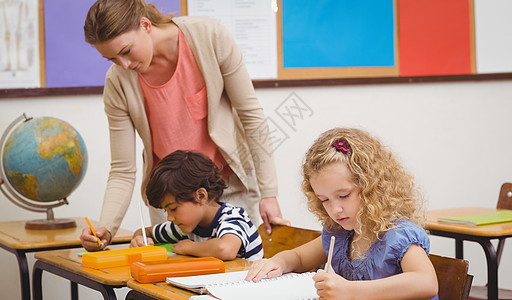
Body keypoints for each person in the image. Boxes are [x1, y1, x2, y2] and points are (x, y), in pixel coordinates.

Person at [80, 0, 289, 251]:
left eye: (126, 51)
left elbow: (251, 115)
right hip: (172, 203)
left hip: (230, 188)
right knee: (173, 285)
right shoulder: (118, 82)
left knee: (238, 276)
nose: (123, 65)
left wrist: (269, 193)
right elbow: (123, 169)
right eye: (111, 58)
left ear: (145, 25)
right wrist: (106, 229)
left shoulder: (209, 36)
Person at [246, 128, 439, 300]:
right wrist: (277, 263)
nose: (335, 210)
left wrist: (351, 291)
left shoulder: (397, 235)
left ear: (373, 188)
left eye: (344, 195)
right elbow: (300, 258)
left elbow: (426, 283)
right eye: (325, 200)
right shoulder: (340, 233)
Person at [130, 150, 263, 261]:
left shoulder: (232, 217)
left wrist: (188, 247)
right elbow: (147, 232)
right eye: (166, 211)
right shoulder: (185, 226)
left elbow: (226, 249)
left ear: (200, 196)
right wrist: (140, 239)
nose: (170, 218)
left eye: (173, 209)